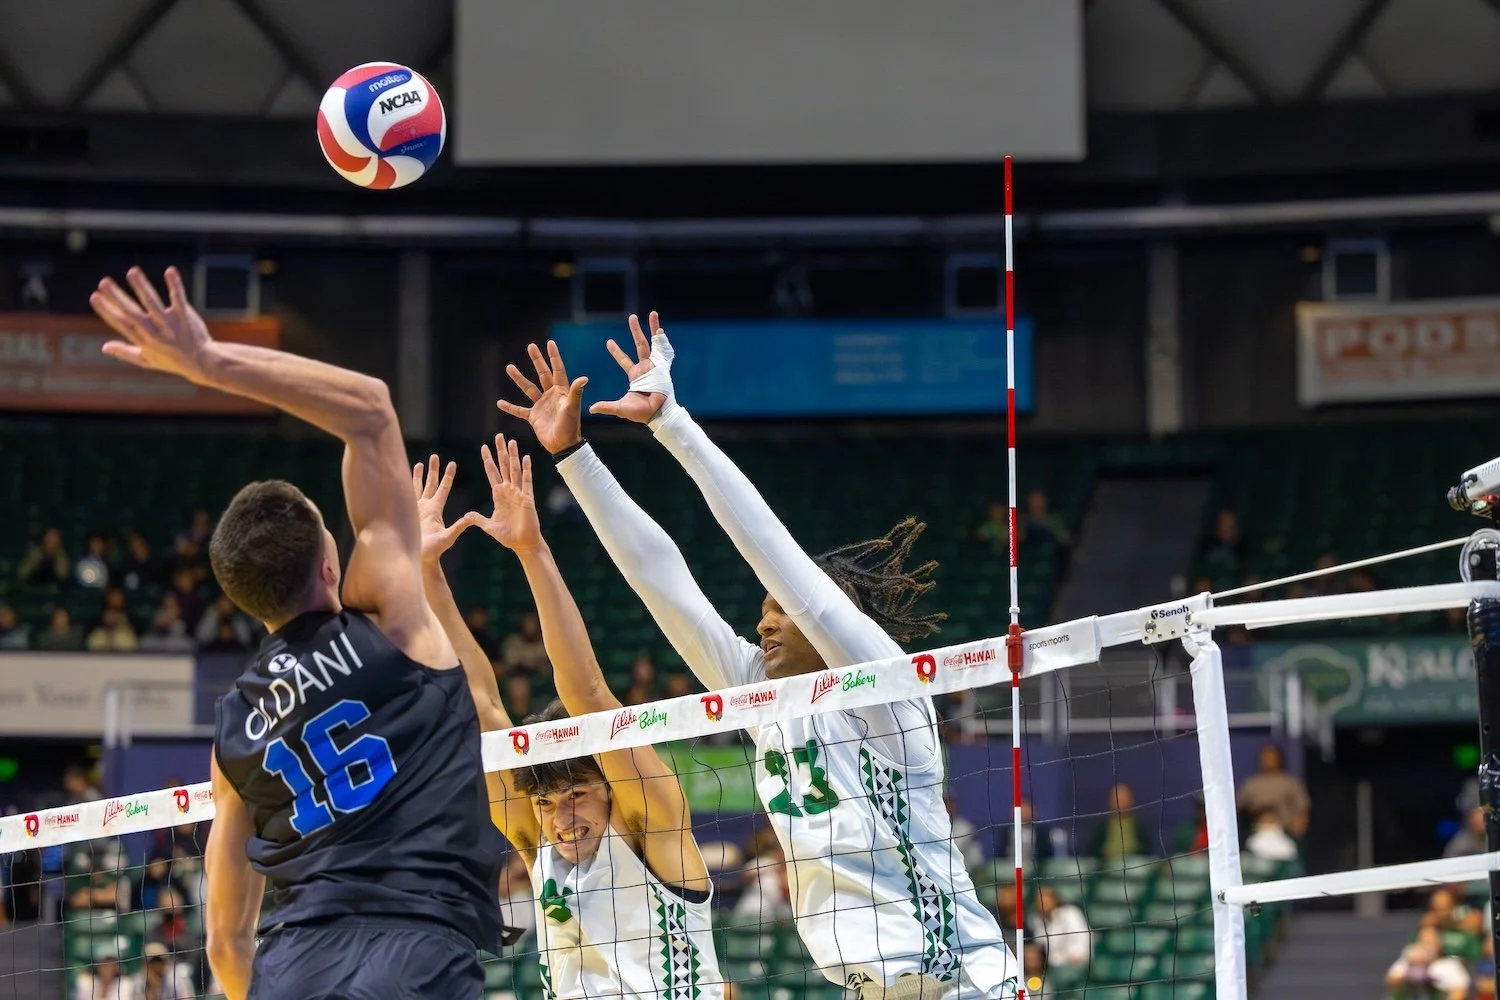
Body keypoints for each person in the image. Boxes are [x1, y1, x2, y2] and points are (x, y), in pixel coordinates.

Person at [500, 317, 1019, 1000]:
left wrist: (673, 424)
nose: (763, 621)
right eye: (763, 609)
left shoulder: (886, 694)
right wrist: (574, 457)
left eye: (782, 610)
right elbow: (663, 584)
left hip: (960, 983)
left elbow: (776, 554)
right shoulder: (765, 697)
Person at [89, 266, 505, 1000]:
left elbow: (225, 943)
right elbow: (370, 409)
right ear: (330, 562)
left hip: (293, 967)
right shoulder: (389, 620)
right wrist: (208, 361)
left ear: (245, 600)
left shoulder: (235, 726)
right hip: (417, 953)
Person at [416, 441, 725, 1000]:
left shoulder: (649, 827)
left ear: (610, 787)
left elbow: (587, 694)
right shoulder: (537, 842)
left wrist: (531, 550)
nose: (562, 819)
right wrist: (426, 572)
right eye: (546, 802)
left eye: (577, 794)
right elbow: (480, 706)